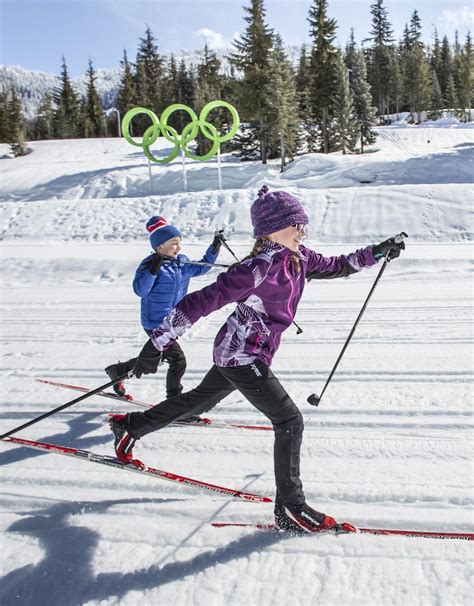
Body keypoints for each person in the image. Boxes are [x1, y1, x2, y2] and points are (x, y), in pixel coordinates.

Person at [108, 186, 406, 534]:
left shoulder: (299, 257)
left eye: (301, 224)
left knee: (197, 402)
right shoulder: (258, 267)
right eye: (296, 223)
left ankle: (130, 427)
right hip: (240, 356)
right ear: (273, 229)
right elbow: (202, 301)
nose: (301, 229)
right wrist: (157, 343)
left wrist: (378, 251)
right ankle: (291, 509)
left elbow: (339, 265)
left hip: (241, 351)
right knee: (290, 420)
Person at [104, 215, 224, 421]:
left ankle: (120, 371)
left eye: (179, 243)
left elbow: (203, 267)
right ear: (159, 247)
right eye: (173, 244)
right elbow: (140, 290)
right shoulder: (149, 264)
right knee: (178, 361)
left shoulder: (181, 263)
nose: (178, 248)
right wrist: (153, 269)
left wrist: (215, 247)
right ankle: (175, 407)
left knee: (161, 358)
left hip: (172, 321)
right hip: (154, 322)